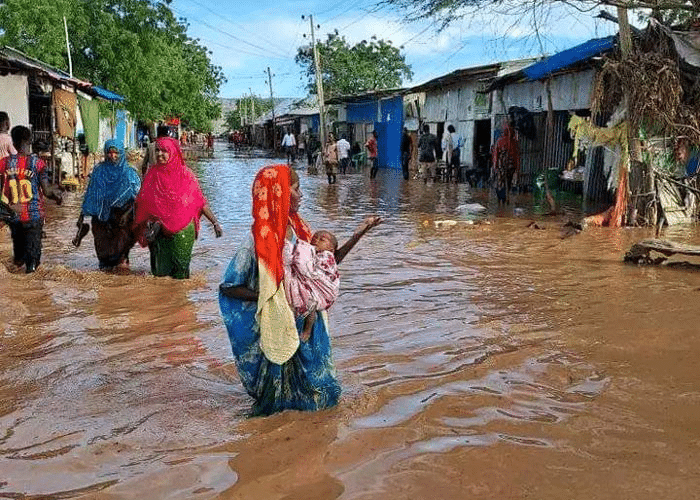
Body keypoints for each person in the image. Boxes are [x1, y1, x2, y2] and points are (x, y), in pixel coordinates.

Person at [219, 164, 381, 416]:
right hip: (279, 324)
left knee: (320, 398)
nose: (301, 195)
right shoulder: (257, 241)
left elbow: (325, 263)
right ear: (279, 193)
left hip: (309, 326)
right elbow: (229, 288)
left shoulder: (300, 230)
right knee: (279, 404)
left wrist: (359, 234)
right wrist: (272, 296)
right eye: (296, 189)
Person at [133, 136, 222, 279]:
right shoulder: (152, 174)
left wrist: (215, 223)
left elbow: (200, 202)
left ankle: (181, 300)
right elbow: (142, 202)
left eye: (164, 151)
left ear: (173, 152)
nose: (159, 154)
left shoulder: (186, 176)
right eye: (157, 150)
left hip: (183, 229)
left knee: (181, 273)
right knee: (159, 274)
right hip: (158, 230)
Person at [0, 126, 62, 273]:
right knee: (32, 264)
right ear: (30, 140)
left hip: (14, 217)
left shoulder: (3, 164)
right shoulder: (38, 163)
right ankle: (34, 289)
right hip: (34, 216)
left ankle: (18, 291)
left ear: (13, 142)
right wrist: (57, 196)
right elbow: (46, 191)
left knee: (19, 259)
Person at [73, 140, 141, 270]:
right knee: (104, 256)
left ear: (121, 153)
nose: (112, 156)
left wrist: (127, 215)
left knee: (121, 255)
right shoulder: (99, 171)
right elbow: (90, 195)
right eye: (109, 153)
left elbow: (138, 198)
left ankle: (122, 285)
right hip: (101, 218)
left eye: (116, 153)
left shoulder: (129, 173)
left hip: (123, 219)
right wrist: (82, 216)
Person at [284, 229, 339, 341]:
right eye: (314, 238)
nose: (316, 241)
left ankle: (307, 331)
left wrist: (299, 249)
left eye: (322, 240)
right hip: (314, 288)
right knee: (308, 300)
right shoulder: (313, 253)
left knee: (311, 303)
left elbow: (313, 272)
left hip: (323, 289)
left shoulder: (327, 256)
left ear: (331, 249)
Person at [491, 120, 520, 204]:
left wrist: (495, 166)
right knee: (508, 182)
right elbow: (517, 157)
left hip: (502, 167)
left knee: (500, 183)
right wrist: (517, 169)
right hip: (510, 167)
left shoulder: (500, 141)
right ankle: (504, 198)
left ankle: (501, 198)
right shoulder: (514, 143)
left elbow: (496, 155)